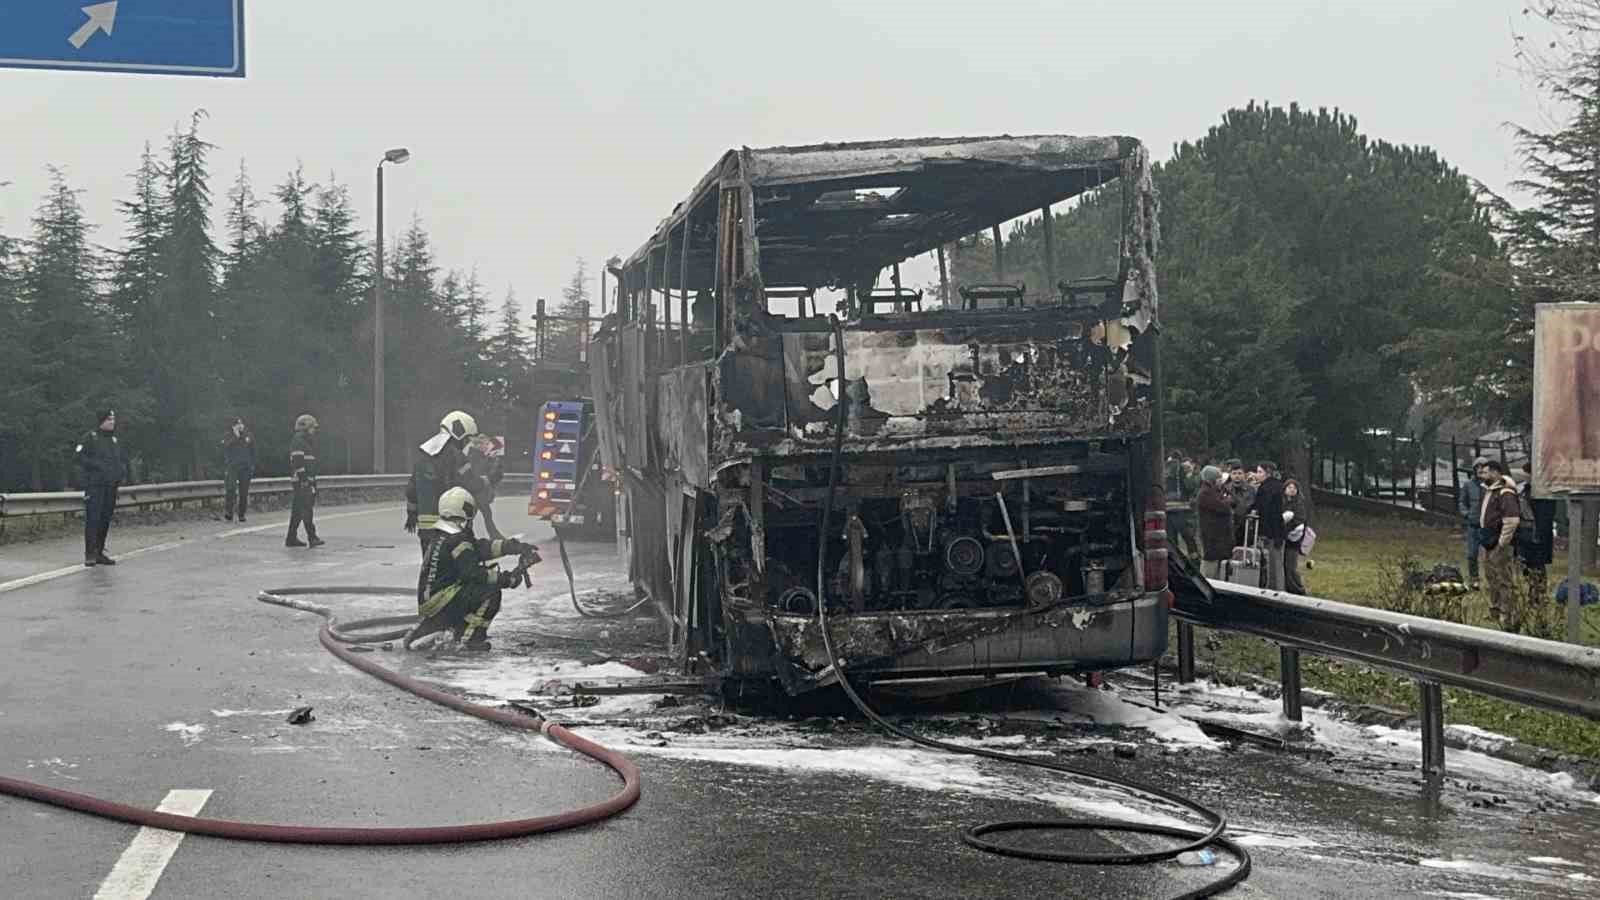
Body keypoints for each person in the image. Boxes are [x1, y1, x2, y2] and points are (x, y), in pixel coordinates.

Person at [406, 487, 541, 652]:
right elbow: (473, 573)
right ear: (466, 511)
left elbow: (478, 549)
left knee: (472, 591)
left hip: (433, 599)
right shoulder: (457, 539)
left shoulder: (445, 534)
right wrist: (507, 579)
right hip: (441, 600)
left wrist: (513, 547)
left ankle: (437, 629)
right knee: (490, 593)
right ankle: (471, 640)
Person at [405, 410, 492, 559]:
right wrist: (486, 481)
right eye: (466, 439)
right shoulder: (457, 457)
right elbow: (470, 484)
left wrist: (411, 514)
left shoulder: (423, 456)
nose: (466, 443)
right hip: (450, 525)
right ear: (459, 433)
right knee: (453, 566)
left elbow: (411, 490)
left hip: (426, 529)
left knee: (430, 565)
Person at [1478, 459, 1523, 633]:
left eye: (1486, 472)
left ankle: (1507, 614)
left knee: (1504, 580)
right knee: (1491, 579)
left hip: (1499, 544)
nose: (1482, 475)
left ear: (1496, 473)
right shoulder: (1490, 491)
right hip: (1488, 541)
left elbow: (1512, 520)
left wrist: (1502, 544)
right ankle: (1494, 610)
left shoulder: (1506, 492)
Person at [76, 408, 126, 567]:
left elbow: (120, 460)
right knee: (93, 519)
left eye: (113, 419)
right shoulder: (90, 437)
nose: (112, 422)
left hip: (111, 486)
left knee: (105, 519)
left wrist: (120, 473)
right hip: (95, 486)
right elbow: (79, 456)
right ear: (102, 421)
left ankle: (99, 552)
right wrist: (97, 466)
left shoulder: (114, 440)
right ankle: (90, 554)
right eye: (109, 419)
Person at [1516, 462, 1558, 630]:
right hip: (1525, 535)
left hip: (1538, 536)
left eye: (1526, 473)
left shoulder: (1544, 493)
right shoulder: (1525, 489)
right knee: (1527, 567)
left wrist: (1539, 535)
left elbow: (1546, 517)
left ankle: (1538, 596)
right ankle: (1532, 594)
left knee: (1538, 567)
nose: (1524, 476)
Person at [286, 414, 324, 548]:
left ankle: (291, 538)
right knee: (307, 509)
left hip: (305, 479)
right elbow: (298, 462)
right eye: (312, 428)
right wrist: (304, 480)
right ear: (306, 427)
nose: (314, 430)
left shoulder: (305, 441)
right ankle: (312, 537)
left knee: (298, 510)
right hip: (302, 480)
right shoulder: (299, 441)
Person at [1248, 461, 1287, 591]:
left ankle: (1277, 590)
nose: (1257, 474)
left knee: (1273, 564)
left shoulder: (1267, 489)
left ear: (1268, 473)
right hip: (1273, 531)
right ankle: (1275, 588)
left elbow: (1273, 512)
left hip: (1271, 532)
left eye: (1260, 472)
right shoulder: (1273, 487)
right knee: (1273, 564)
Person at [1194, 465, 1234, 580]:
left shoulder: (1216, 491)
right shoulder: (1205, 493)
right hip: (1211, 536)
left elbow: (1233, 501)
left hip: (1219, 536)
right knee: (1210, 566)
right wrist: (1227, 501)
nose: (1221, 481)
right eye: (1218, 478)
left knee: (1218, 565)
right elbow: (1223, 507)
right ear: (1212, 479)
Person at [466, 435, 507, 541]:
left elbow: (492, 474)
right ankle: (494, 535)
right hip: (476, 492)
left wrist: (493, 461)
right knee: (481, 515)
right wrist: (490, 461)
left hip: (479, 491)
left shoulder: (480, 456)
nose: (488, 446)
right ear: (479, 445)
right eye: (486, 444)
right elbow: (479, 472)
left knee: (480, 515)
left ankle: (493, 535)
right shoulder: (474, 456)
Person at [1457, 456, 1489, 590]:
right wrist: (1466, 513)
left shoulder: (1491, 485)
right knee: (1472, 555)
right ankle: (1474, 580)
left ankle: (1492, 581)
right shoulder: (1468, 485)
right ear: (1474, 469)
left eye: (1483, 467)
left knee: (1490, 557)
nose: (1480, 470)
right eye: (1478, 467)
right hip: (1473, 526)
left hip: (1488, 527)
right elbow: (1461, 502)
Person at [1164, 452, 1201, 559]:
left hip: (1168, 510)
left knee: (1172, 540)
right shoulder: (1182, 470)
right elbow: (1190, 486)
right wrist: (1189, 472)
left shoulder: (1164, 469)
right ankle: (1194, 560)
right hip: (1182, 510)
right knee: (1188, 537)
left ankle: (1174, 561)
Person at [219, 416, 256, 523]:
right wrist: (236, 437)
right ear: (233, 426)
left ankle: (241, 514)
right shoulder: (227, 436)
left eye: (241, 424)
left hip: (245, 468)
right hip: (232, 467)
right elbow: (225, 446)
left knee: (244, 492)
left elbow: (253, 451)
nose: (240, 426)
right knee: (230, 489)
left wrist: (252, 465)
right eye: (237, 424)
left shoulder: (248, 435)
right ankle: (229, 513)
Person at [1282, 478, 1311, 595]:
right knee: (1283, 565)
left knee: (1290, 566)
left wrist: (1287, 528)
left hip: (1293, 540)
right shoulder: (1281, 502)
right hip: (1281, 538)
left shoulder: (1299, 504)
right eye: (1289, 487)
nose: (1292, 490)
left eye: (1294, 488)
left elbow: (1300, 520)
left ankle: (1298, 589)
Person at [1226, 460, 1257, 548]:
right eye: (1234, 473)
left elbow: (1249, 506)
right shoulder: (1225, 489)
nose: (1237, 476)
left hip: (1245, 527)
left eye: (1239, 473)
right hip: (1229, 528)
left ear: (1244, 475)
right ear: (1230, 475)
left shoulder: (1251, 490)